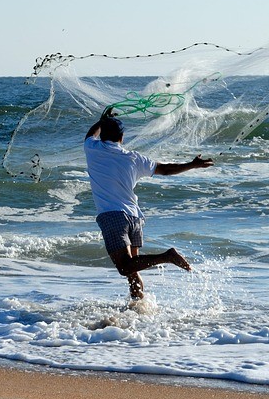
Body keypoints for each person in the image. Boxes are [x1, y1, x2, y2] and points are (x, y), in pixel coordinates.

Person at [84, 110, 213, 300]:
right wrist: (192, 165)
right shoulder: (134, 158)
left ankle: (167, 256)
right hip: (135, 218)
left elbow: (90, 135)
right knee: (132, 271)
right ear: (122, 137)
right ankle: (138, 309)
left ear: (102, 134)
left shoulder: (92, 148)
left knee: (125, 267)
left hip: (113, 216)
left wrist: (102, 120)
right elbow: (166, 170)